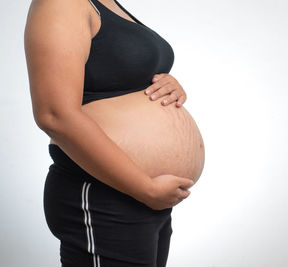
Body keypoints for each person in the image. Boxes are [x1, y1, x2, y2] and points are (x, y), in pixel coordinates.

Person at [24, 0, 198, 266]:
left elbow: (117, 75)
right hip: (105, 194)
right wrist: (146, 188)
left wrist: (169, 85)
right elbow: (54, 115)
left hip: (146, 200)